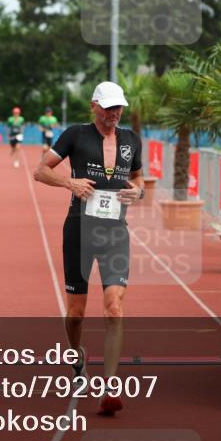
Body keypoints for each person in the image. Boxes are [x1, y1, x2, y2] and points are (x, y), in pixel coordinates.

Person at [33, 81, 144, 416]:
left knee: (114, 308)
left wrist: (137, 192)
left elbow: (139, 179)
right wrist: (70, 181)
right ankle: (77, 355)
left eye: (119, 107)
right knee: (76, 312)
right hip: (79, 231)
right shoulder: (74, 135)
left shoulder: (130, 140)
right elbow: (40, 171)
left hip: (115, 234)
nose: (115, 113)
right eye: (109, 107)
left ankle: (111, 385)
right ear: (94, 105)